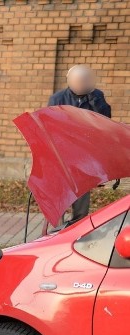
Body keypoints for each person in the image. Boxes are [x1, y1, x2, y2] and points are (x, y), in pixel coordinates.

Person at [48, 65, 112, 221]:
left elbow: (105, 120)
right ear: (69, 81)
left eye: (84, 81)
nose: (81, 84)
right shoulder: (57, 98)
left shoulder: (97, 96)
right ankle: (56, 228)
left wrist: (95, 100)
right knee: (60, 191)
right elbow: (49, 124)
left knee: (82, 190)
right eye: (77, 81)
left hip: (85, 153)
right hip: (63, 152)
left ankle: (78, 225)